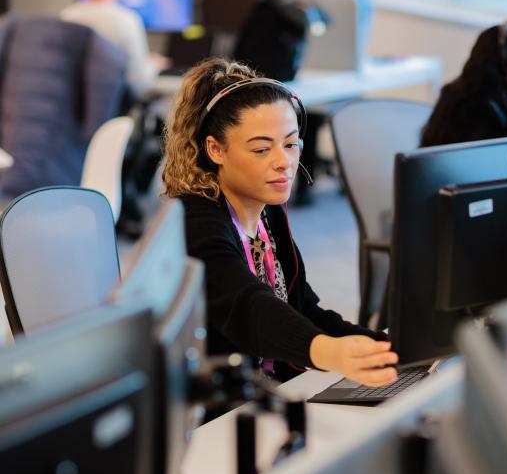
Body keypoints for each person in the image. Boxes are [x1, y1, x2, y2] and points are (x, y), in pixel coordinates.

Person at [161, 57, 399, 387]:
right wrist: (326, 351)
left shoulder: (267, 212)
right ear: (215, 150)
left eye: (290, 144)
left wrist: (389, 351)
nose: (283, 163)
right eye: (261, 149)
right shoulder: (194, 223)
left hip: (271, 390)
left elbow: (303, 310)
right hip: (214, 407)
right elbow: (248, 309)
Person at [61, 0, 168, 99]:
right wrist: (154, 65)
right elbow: (139, 82)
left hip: (70, 106)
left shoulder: (67, 15)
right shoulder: (127, 20)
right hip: (110, 108)